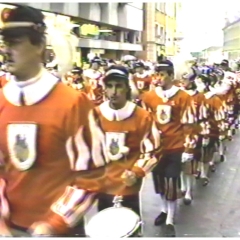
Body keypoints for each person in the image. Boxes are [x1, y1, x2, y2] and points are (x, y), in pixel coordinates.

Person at [0, 5, 105, 237]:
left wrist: (53, 223)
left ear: (39, 47)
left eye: (15, 42)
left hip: (60, 232)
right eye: (4, 43)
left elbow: (91, 175)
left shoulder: (74, 103)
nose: (6, 51)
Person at [88, 65, 162, 236]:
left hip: (129, 188)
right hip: (103, 186)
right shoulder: (95, 115)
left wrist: (136, 172)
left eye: (119, 86)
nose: (114, 91)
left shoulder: (142, 116)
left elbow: (152, 150)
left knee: (130, 231)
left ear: (127, 88)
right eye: (110, 86)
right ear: (104, 89)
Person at [141, 60, 197, 237]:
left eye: (163, 74)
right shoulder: (149, 97)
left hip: (175, 147)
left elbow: (189, 124)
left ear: (172, 76)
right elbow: (145, 122)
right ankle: (164, 210)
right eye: (157, 74)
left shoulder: (183, 97)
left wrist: (188, 149)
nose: (159, 78)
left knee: (171, 182)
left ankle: (170, 219)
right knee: (159, 181)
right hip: (157, 148)